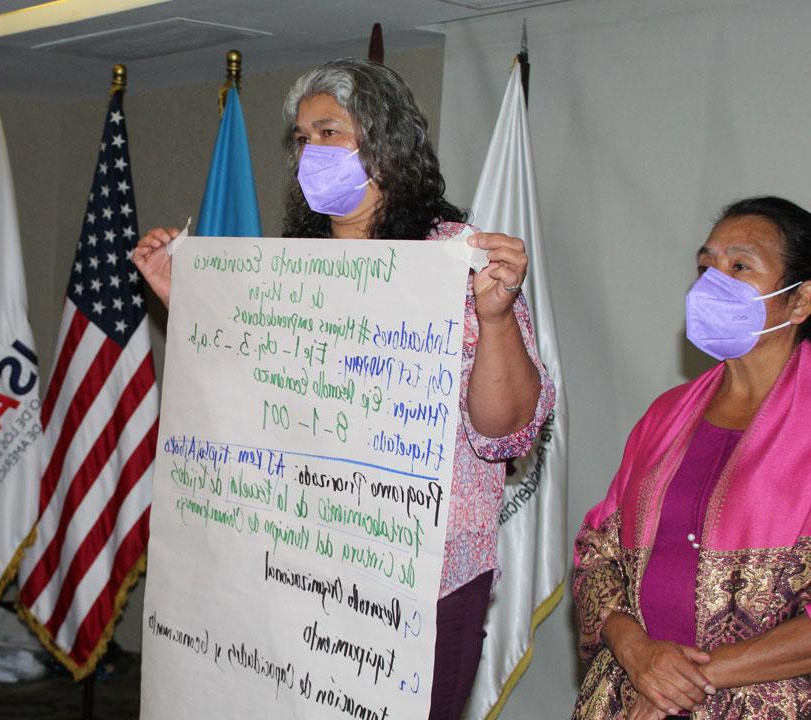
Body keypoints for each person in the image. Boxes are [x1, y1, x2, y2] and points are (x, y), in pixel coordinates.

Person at [134, 57, 556, 720]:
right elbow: (250, 405)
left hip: (419, 586)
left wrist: (496, 316)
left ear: (386, 144)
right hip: (295, 567)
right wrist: (180, 297)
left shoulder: (460, 260)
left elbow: (507, 433)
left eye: (329, 132)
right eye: (303, 139)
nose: (312, 152)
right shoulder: (292, 269)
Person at [573, 196, 811, 720]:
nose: (712, 283)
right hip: (630, 692)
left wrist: (684, 678)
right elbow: (597, 555)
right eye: (706, 266)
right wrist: (636, 654)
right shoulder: (667, 415)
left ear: (799, 302)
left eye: (740, 266)